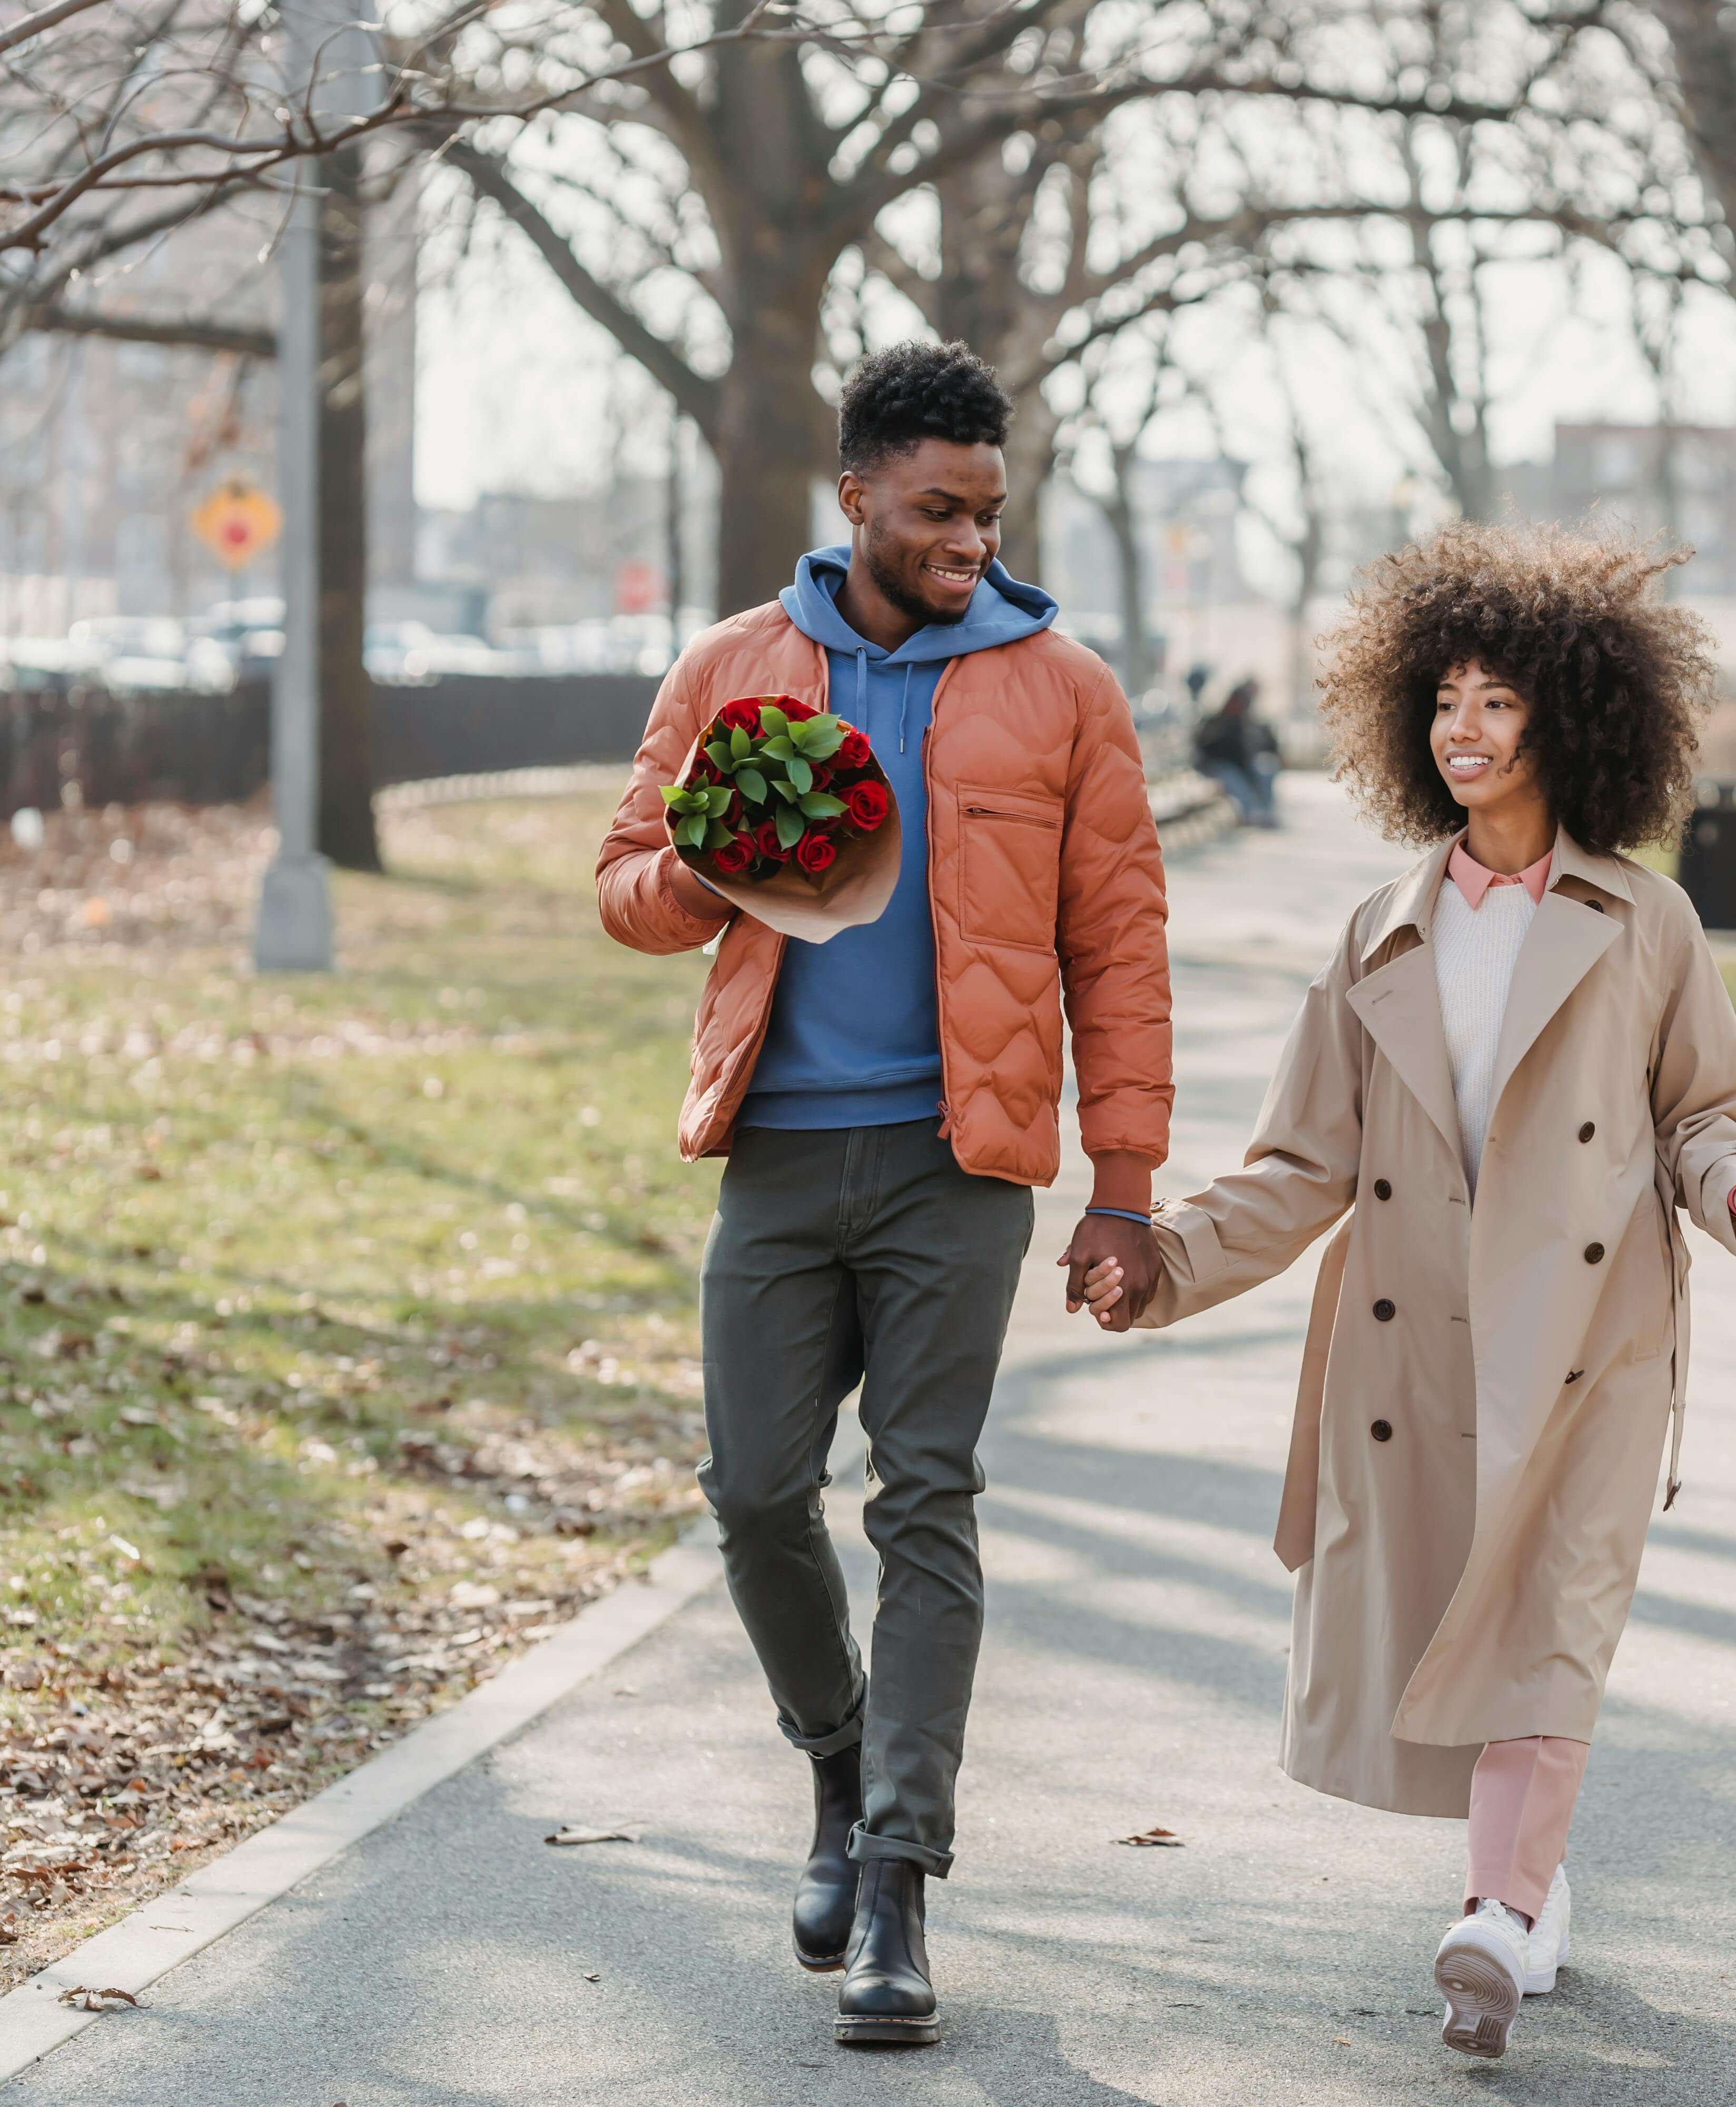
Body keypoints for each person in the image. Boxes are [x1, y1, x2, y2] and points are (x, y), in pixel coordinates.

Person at [1076, 520, 1736, 2061]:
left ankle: (1488, 1908)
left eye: (1496, 702)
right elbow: (1299, 1162)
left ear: (1569, 717)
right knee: (1463, 1636)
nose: (1463, 731)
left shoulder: (1642, 922)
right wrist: (1161, 1261)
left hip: (1593, 1338)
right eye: (1444, 702)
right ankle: (1527, 1887)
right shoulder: (1376, 933)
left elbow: (1699, 1112)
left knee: (1554, 1615)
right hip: (1419, 1345)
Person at [595, 340, 1173, 2048]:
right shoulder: (733, 665)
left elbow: (1119, 945)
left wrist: (1124, 1185)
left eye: (991, 514)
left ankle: (901, 1885)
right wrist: (718, 853)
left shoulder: (1063, 687)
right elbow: (626, 889)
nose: (970, 544)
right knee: (756, 1491)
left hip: (961, 1165)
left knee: (925, 1498)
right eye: (937, 510)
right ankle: (838, 1771)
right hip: (776, 1154)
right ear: (853, 494)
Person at [1191, 675, 1283, 828]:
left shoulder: (1243, 725)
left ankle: (1265, 812)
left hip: (1236, 767)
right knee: (1236, 780)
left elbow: (1247, 753)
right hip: (1215, 767)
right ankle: (1251, 815)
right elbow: (1205, 749)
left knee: (1264, 771)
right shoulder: (1216, 722)